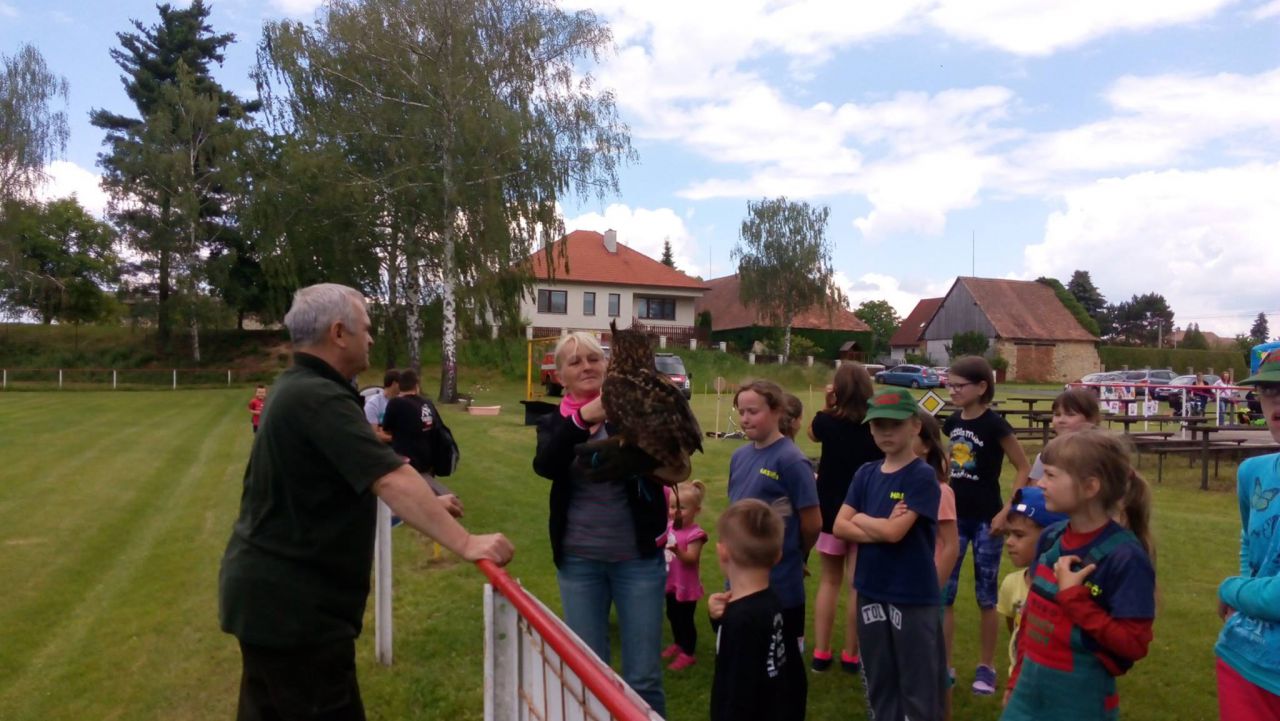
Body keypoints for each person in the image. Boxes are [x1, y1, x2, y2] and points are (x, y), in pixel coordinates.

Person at [218, 283, 513, 721]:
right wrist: (466, 542)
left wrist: (429, 503)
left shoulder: (300, 386)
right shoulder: (317, 396)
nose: (372, 339)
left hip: (273, 602)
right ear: (339, 333)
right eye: (367, 328)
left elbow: (351, 475)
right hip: (295, 612)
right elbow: (389, 477)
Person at [532, 331, 667, 714]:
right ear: (560, 376)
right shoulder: (553, 421)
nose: (586, 366)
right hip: (579, 562)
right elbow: (546, 465)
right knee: (589, 672)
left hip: (638, 560)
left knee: (644, 678)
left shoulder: (634, 411)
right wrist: (583, 418)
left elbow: (669, 459)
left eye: (594, 358)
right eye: (574, 362)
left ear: (607, 366)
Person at [1001, 430, 1156, 720]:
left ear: (1090, 487)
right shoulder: (1050, 538)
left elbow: (1134, 644)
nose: (1040, 483)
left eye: (1050, 475)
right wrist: (1015, 681)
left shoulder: (1125, 557)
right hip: (1026, 696)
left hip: (1080, 704)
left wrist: (1074, 598)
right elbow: (1030, 620)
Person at [833, 388, 944, 721]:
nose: (886, 432)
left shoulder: (921, 475)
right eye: (878, 425)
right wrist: (877, 524)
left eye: (895, 424)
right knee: (879, 677)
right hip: (870, 588)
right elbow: (839, 526)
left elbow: (896, 534)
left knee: (917, 684)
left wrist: (862, 519)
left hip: (911, 594)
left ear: (915, 426)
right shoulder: (865, 473)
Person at [942, 355, 1031, 695]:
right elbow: (947, 462)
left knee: (986, 597)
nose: (952, 391)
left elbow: (1023, 467)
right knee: (945, 594)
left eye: (959, 386)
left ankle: (987, 666)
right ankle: (944, 665)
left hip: (987, 521)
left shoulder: (995, 425)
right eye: (949, 385)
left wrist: (1008, 510)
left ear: (981, 387)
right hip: (953, 519)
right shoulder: (952, 422)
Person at [729, 379, 821, 663]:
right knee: (743, 660)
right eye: (741, 412)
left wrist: (796, 554)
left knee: (781, 664)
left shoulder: (791, 461)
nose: (745, 419)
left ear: (777, 411)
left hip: (780, 584)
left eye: (753, 411)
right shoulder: (740, 456)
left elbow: (812, 523)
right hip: (738, 579)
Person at [1215, 349, 1280, 720]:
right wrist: (1241, 607)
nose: (1276, 402)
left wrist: (1231, 591)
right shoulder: (1253, 472)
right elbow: (1251, 541)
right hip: (1244, 661)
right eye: (1268, 390)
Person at [807, 362, 883, 675]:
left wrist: (828, 405)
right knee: (857, 585)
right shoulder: (876, 424)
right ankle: (852, 655)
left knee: (829, 580)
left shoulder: (826, 421)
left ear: (837, 390)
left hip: (829, 510)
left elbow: (811, 434)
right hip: (865, 512)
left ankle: (821, 652)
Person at [707, 499, 806, 721]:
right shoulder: (773, 603)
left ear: (722, 552)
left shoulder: (740, 619)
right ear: (778, 555)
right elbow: (792, 673)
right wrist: (718, 618)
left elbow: (736, 693)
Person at [996, 486, 1067, 706]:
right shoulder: (1011, 584)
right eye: (1008, 534)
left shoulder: (1065, 591)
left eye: (1018, 535)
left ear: (1050, 537)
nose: (1009, 542)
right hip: (1019, 683)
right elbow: (1015, 630)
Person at [917, 410, 959, 721]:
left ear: (926, 445)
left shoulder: (939, 490)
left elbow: (949, 544)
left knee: (932, 663)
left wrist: (933, 588)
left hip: (926, 589)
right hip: (899, 585)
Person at [663, 480, 708, 671]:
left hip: (686, 586)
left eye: (682, 508)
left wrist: (677, 551)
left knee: (685, 619)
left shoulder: (695, 534)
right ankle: (678, 643)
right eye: (673, 506)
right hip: (671, 582)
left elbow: (691, 559)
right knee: (672, 614)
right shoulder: (669, 526)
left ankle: (688, 653)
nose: (676, 512)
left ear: (696, 510)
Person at [1029, 389, 1102, 482]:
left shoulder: (1102, 455)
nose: (1061, 420)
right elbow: (1036, 487)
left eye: (1070, 415)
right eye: (1057, 414)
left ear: (1091, 419)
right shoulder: (1046, 455)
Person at [364, 369, 401, 443]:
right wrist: (398, 438)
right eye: (401, 383)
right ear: (394, 384)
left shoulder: (402, 402)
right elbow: (373, 435)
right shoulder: (373, 404)